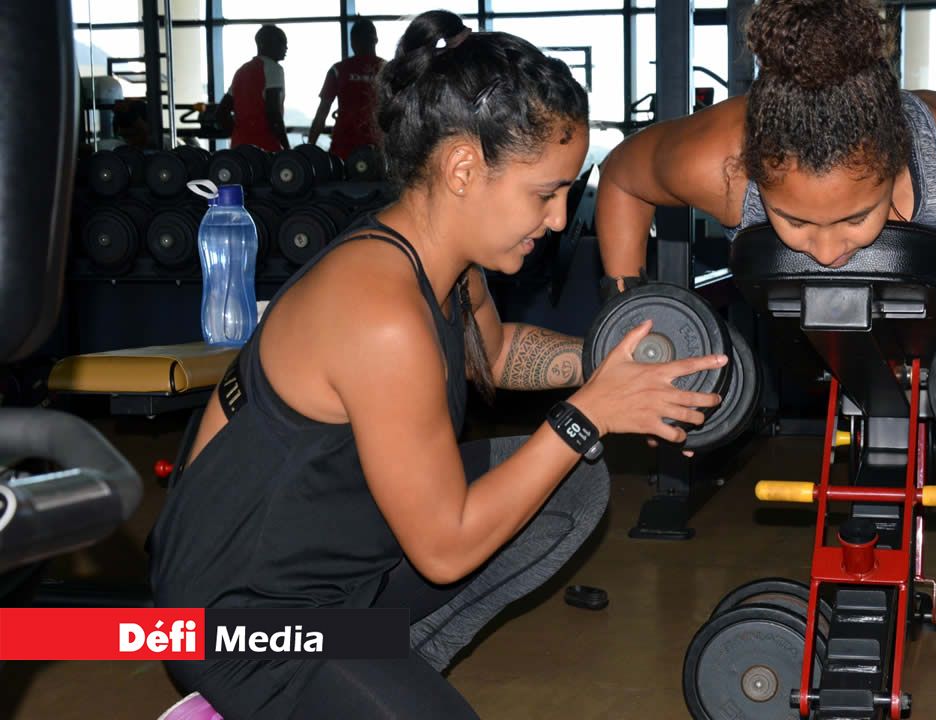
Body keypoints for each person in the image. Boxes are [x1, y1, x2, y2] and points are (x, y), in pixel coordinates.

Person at [149, 10, 725, 720]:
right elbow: (447, 551)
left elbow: (497, 351)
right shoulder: (379, 311)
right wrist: (587, 415)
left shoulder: (447, 266)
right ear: (461, 168)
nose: (556, 219)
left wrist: (612, 367)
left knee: (572, 490)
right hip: (245, 623)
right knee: (555, 463)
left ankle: (377, 673)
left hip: (338, 575)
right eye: (544, 193)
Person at [597, 0, 936, 329]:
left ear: (896, 161)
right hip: (794, 336)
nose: (825, 251)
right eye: (794, 220)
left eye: (853, 217)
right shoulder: (720, 163)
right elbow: (622, 175)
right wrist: (631, 321)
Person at [307, 19, 386, 159]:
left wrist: (309, 148)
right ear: (376, 39)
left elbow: (322, 112)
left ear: (352, 42)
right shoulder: (387, 70)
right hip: (377, 149)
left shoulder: (338, 70)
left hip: (344, 147)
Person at [216, 24, 290, 152]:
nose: (286, 48)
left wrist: (238, 132)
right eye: (281, 42)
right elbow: (273, 113)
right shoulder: (274, 69)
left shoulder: (242, 70)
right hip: (265, 148)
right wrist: (287, 148)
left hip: (239, 148)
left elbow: (221, 112)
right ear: (264, 44)